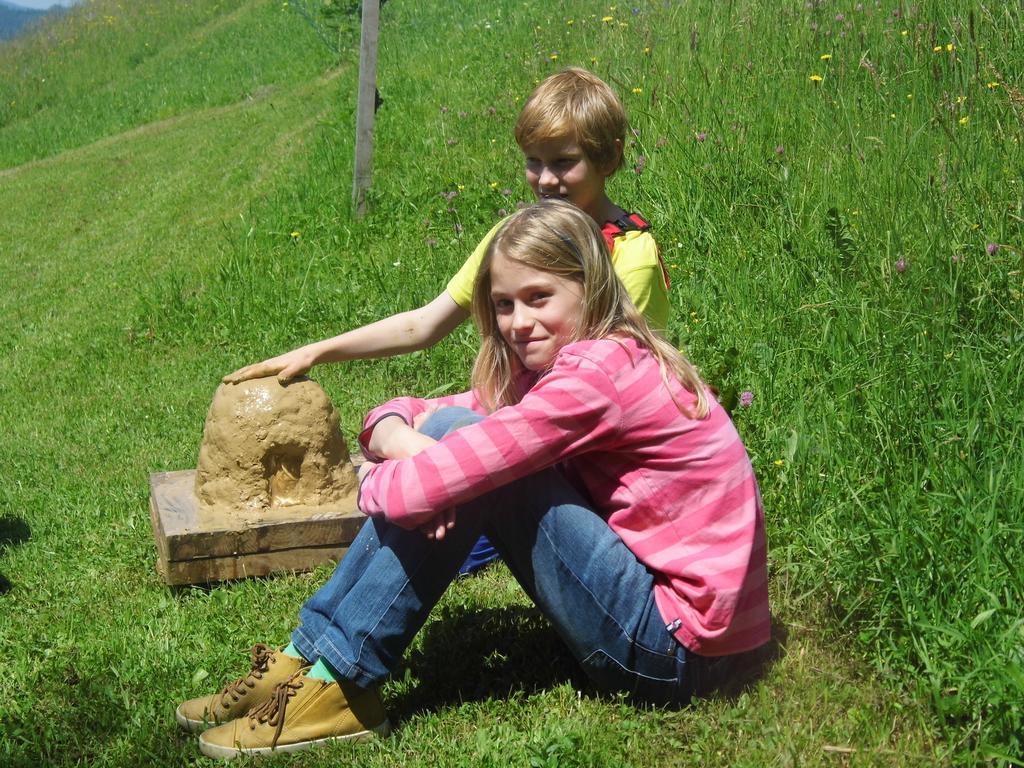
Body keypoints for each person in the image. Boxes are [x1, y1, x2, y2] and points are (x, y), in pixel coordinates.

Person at [178, 200, 769, 759]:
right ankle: (303, 662)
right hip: (685, 630)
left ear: (592, 288)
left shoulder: (595, 377)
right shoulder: (591, 359)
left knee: (470, 466)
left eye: (540, 298)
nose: (519, 322)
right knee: (465, 444)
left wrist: (389, 478)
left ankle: (339, 679)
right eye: (504, 304)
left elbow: (427, 481)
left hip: (677, 654)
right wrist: (396, 437)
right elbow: (433, 411)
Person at [223, 67, 671, 575]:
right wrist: (316, 351)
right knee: (409, 430)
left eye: (564, 163)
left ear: (608, 156)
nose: (545, 180)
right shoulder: (518, 236)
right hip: (513, 423)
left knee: (430, 470)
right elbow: (425, 324)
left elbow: (606, 397)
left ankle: (419, 529)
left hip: (571, 455)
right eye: (534, 161)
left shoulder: (630, 256)